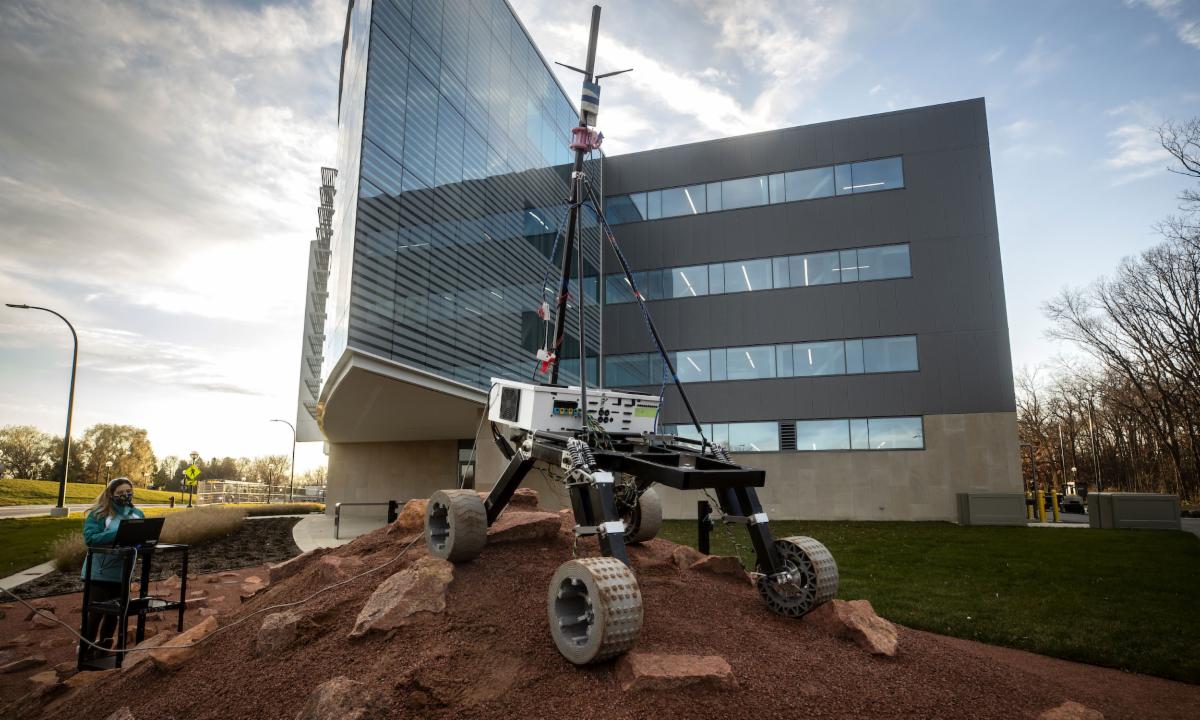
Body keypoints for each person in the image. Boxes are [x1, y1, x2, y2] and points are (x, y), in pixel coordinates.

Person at [79, 477, 144, 660]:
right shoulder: (99, 514)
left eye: (128, 492)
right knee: (95, 614)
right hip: (99, 573)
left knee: (114, 616)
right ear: (111, 494)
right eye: (120, 492)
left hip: (123, 573)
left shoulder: (137, 514)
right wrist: (120, 532)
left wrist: (141, 542)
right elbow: (90, 539)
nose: (125, 495)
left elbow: (140, 539)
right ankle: (86, 653)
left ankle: (104, 652)